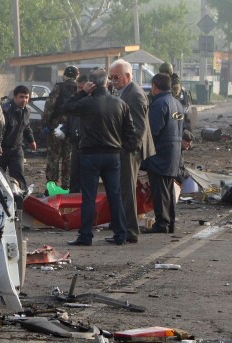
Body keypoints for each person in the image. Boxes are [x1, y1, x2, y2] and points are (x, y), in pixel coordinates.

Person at [61, 68, 136, 246]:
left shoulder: (86, 103)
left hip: (90, 154)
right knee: (115, 195)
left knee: (88, 196)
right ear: (107, 83)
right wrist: (123, 149)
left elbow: (65, 107)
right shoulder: (120, 104)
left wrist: (81, 93)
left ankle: (86, 235)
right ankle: (120, 234)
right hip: (113, 155)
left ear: (91, 84)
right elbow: (130, 133)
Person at [110, 59, 155, 244]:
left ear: (128, 76)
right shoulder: (124, 91)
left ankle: (130, 231)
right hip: (126, 148)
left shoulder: (134, 94)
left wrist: (129, 149)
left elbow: (139, 127)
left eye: (116, 77)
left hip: (130, 150)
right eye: (111, 77)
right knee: (122, 191)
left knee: (127, 192)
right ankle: (123, 229)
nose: (113, 81)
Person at [140, 73, 185, 234]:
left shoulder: (159, 104)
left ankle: (161, 223)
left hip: (159, 153)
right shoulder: (177, 104)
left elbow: (153, 131)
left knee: (159, 191)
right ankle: (170, 222)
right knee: (169, 190)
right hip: (173, 153)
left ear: (154, 87)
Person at [41, 65, 79, 190]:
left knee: (54, 158)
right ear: (76, 76)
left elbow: (49, 106)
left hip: (55, 127)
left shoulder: (59, 87)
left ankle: (51, 187)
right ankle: (67, 187)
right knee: (68, 159)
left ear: (65, 76)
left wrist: (45, 124)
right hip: (72, 128)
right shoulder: (79, 89)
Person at [0, 85, 36, 191]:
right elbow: (1, 130)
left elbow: (27, 127)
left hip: (17, 148)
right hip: (3, 149)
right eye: (21, 97)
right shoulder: (6, 110)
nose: (24, 100)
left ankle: (20, 198)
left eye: (26, 97)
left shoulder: (26, 111)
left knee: (18, 174)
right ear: (15, 97)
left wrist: (31, 140)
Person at [66, 75, 87, 194]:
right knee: (74, 176)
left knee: (86, 178)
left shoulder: (91, 102)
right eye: (78, 88)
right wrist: (64, 129)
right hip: (75, 143)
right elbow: (70, 119)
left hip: (88, 146)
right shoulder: (74, 101)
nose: (80, 90)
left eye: (83, 88)